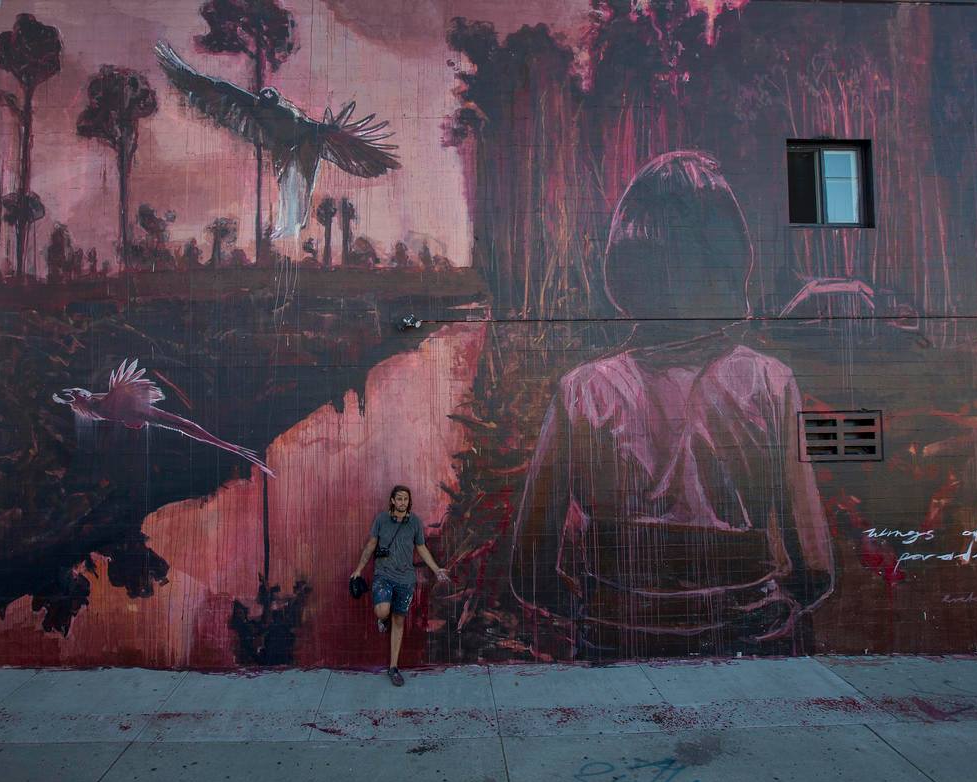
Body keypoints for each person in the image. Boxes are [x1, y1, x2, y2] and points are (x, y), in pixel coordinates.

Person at [509, 151, 835, 659]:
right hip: (749, 653)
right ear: (730, 261)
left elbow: (529, 570)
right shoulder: (769, 384)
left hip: (616, 648)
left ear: (628, 266)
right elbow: (814, 569)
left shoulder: (582, 392)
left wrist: (605, 612)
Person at [351, 485, 450, 685]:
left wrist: (437, 569)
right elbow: (371, 545)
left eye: (406, 499)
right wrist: (359, 569)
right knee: (382, 611)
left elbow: (421, 548)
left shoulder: (414, 522)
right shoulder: (381, 520)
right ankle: (382, 619)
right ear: (393, 501)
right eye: (399, 499)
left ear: (408, 501)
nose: (402, 502)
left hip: (406, 580)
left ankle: (393, 667)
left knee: (398, 621)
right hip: (383, 575)